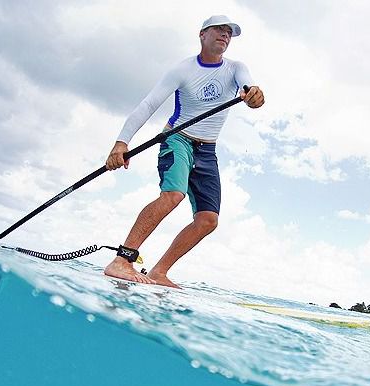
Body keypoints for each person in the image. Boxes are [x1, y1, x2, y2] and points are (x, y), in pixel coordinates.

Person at [103, 15, 264, 287]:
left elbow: (249, 86)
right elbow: (148, 104)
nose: (225, 35)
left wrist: (253, 95)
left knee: (208, 220)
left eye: (229, 32)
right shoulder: (183, 69)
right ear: (202, 34)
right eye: (218, 30)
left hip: (207, 150)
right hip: (177, 139)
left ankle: (158, 271)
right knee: (173, 195)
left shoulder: (236, 68)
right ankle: (122, 260)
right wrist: (122, 142)